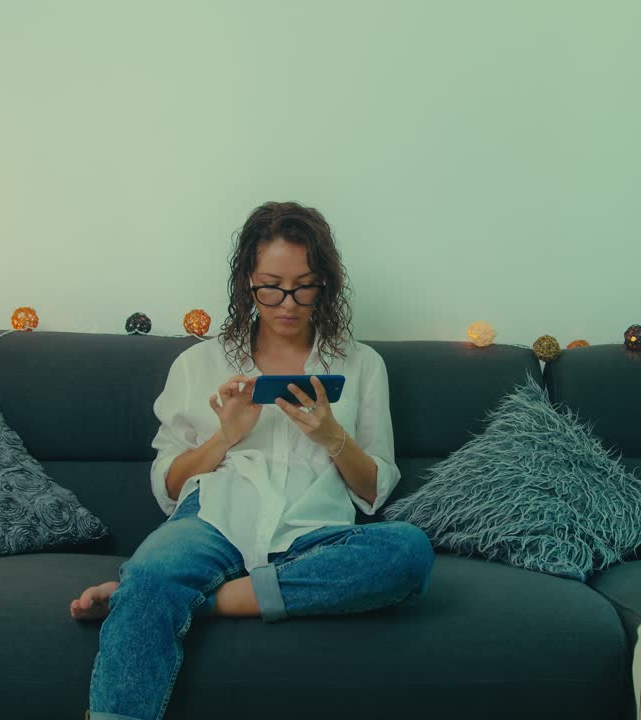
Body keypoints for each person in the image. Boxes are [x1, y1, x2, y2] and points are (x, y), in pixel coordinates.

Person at [70, 201, 436, 720]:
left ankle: (181, 599)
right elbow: (169, 486)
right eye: (271, 285)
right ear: (247, 281)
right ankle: (155, 591)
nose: (288, 303)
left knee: (408, 552)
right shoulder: (199, 363)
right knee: (156, 570)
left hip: (313, 531)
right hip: (214, 518)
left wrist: (333, 436)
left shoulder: (361, 364)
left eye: (305, 285)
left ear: (325, 284)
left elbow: (374, 491)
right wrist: (226, 436)